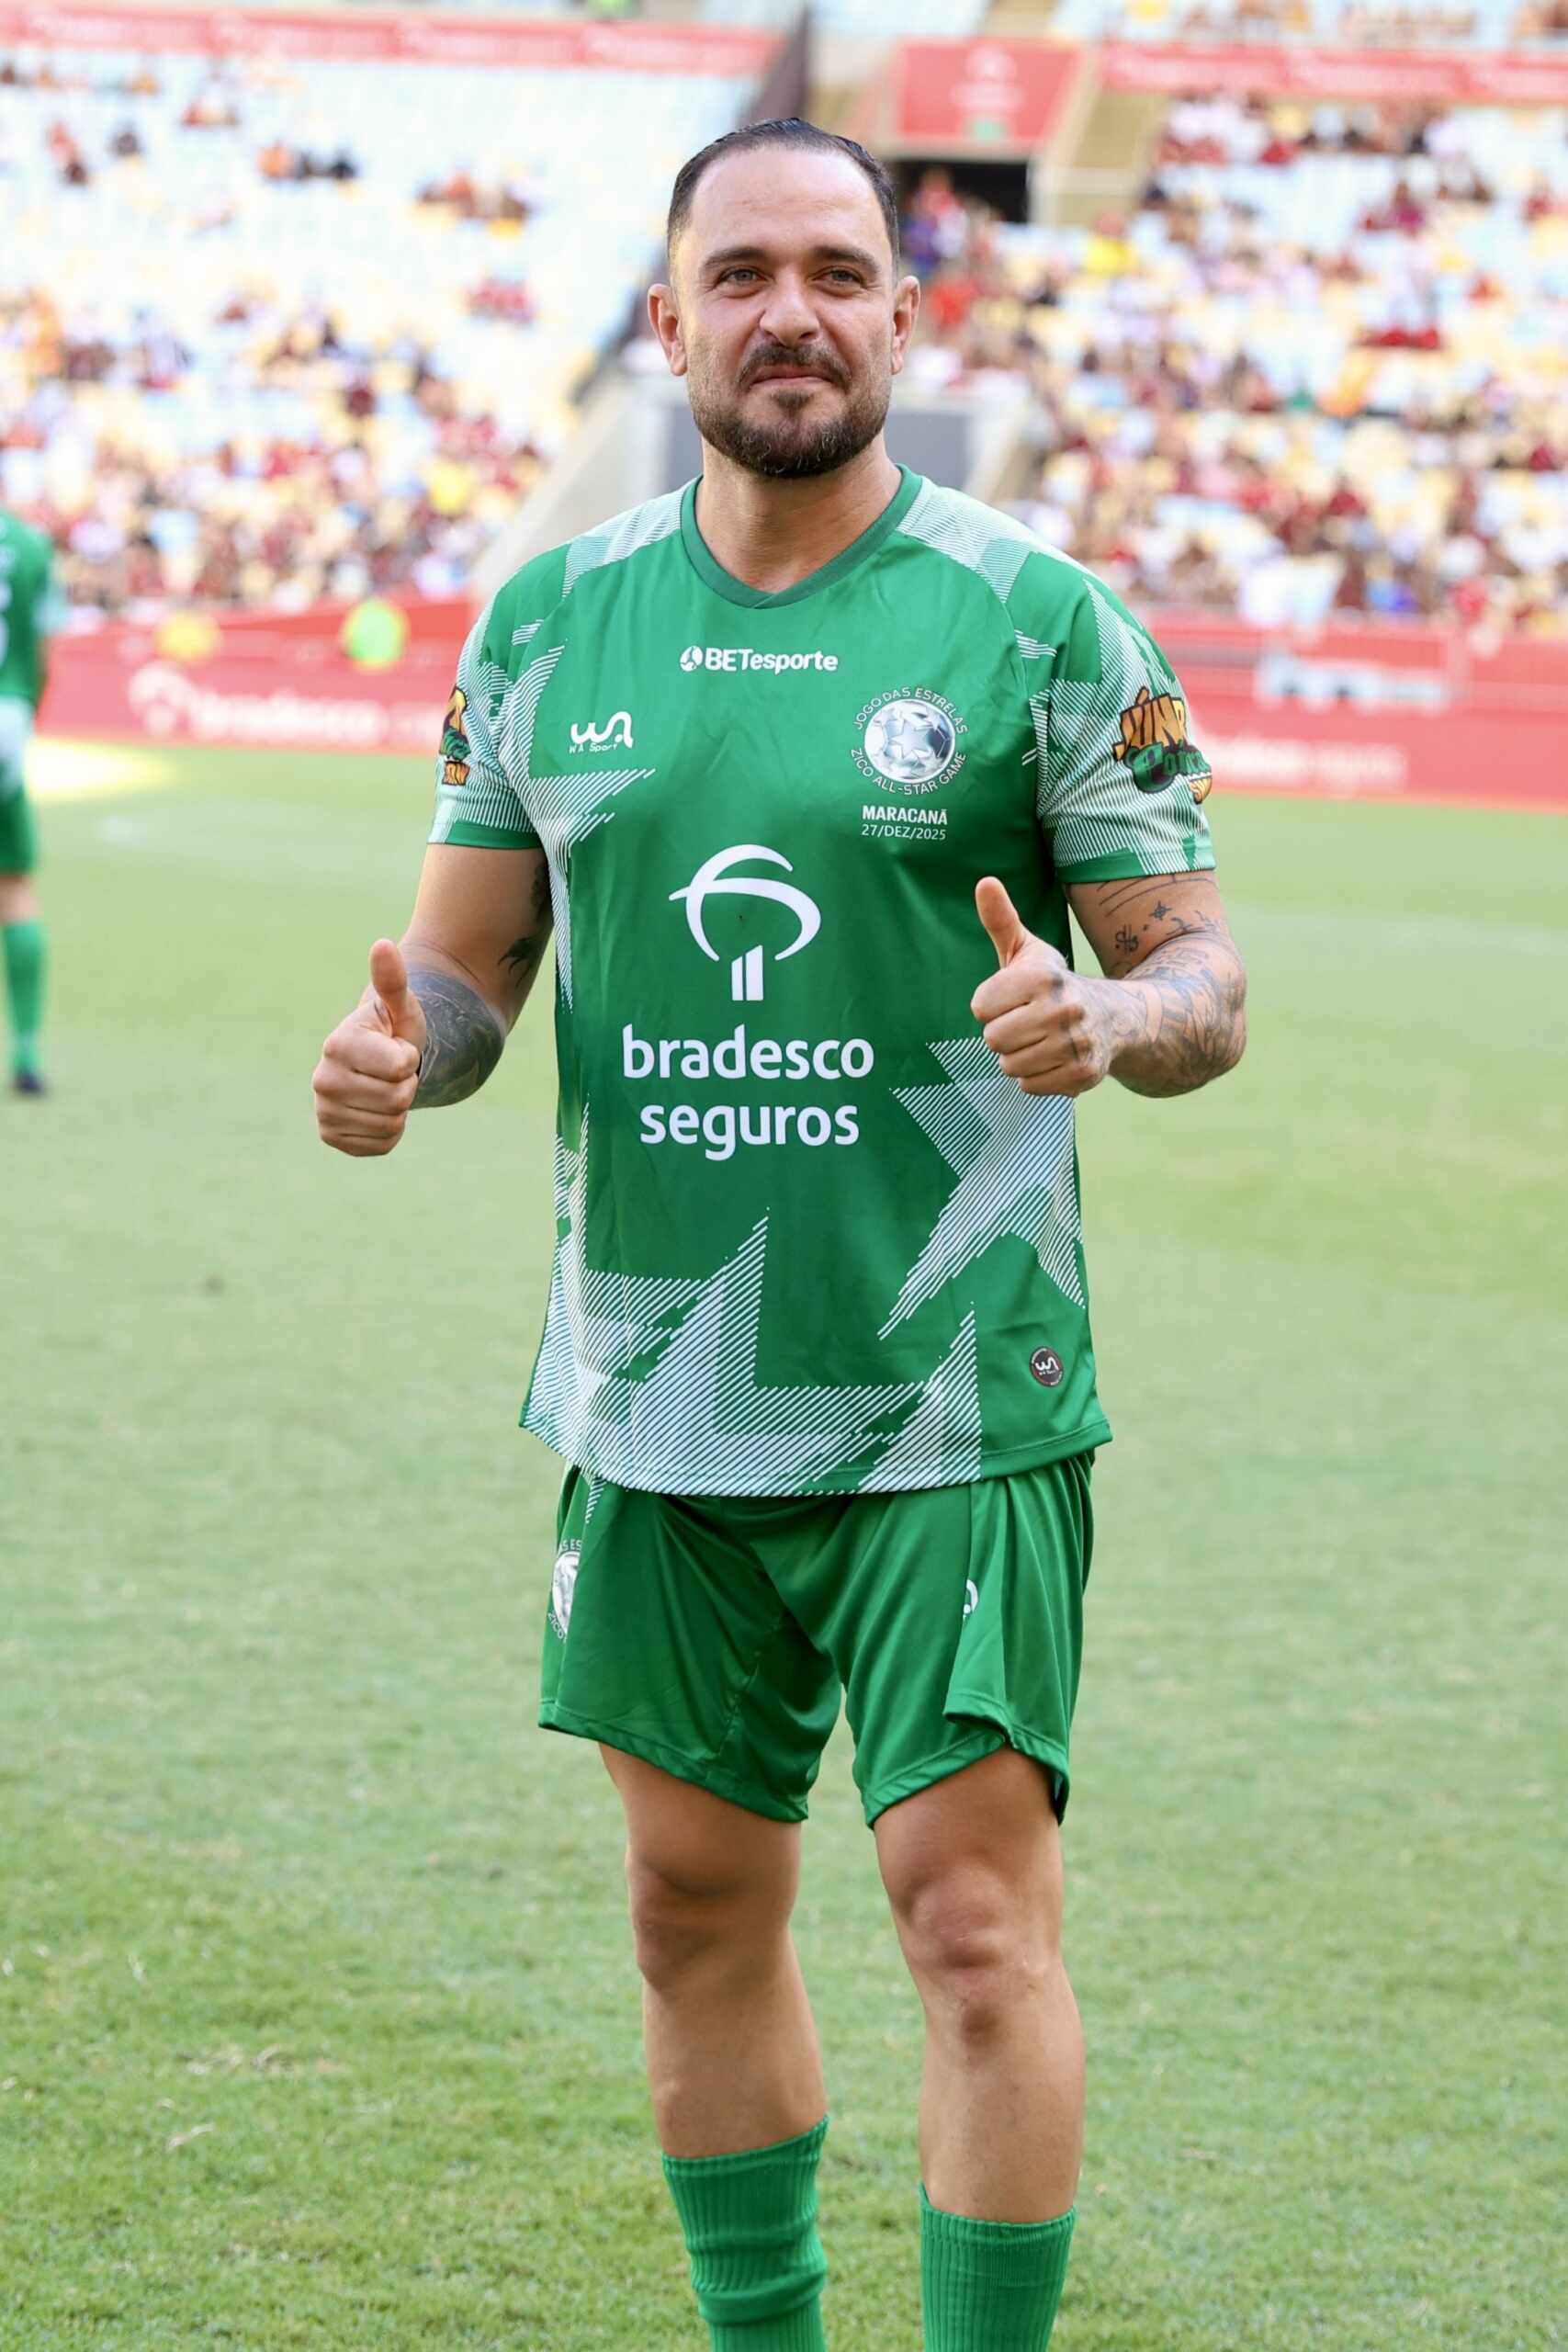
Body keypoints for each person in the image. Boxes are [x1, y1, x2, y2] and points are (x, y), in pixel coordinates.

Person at [312, 119, 1247, 2352]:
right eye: (740, 274)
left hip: (952, 1382)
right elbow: (465, 974)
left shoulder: (1034, 619)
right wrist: (401, 1053)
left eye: (836, 270)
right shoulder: (549, 619)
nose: (790, 312)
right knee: (686, 1907)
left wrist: (1112, 1014)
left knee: (971, 1927)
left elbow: (1202, 979)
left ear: (903, 315)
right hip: (655, 1383)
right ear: (666, 319)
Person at [0, 505, 63, 1096]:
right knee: (13, 884)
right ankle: (24, 1049)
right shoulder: (30, 544)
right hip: (8, 722)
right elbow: (44, 653)